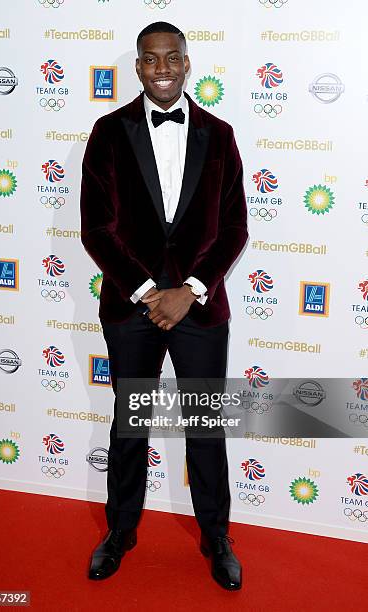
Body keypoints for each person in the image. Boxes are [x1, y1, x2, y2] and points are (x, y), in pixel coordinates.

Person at [80, 21, 248, 591]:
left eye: (171, 58)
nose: (162, 70)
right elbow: (96, 229)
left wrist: (191, 290)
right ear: (137, 66)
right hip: (133, 308)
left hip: (201, 308)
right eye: (151, 60)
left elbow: (233, 229)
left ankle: (216, 536)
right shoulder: (107, 132)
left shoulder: (219, 135)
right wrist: (147, 291)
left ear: (186, 63)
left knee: (204, 426)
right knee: (131, 425)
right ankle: (120, 531)